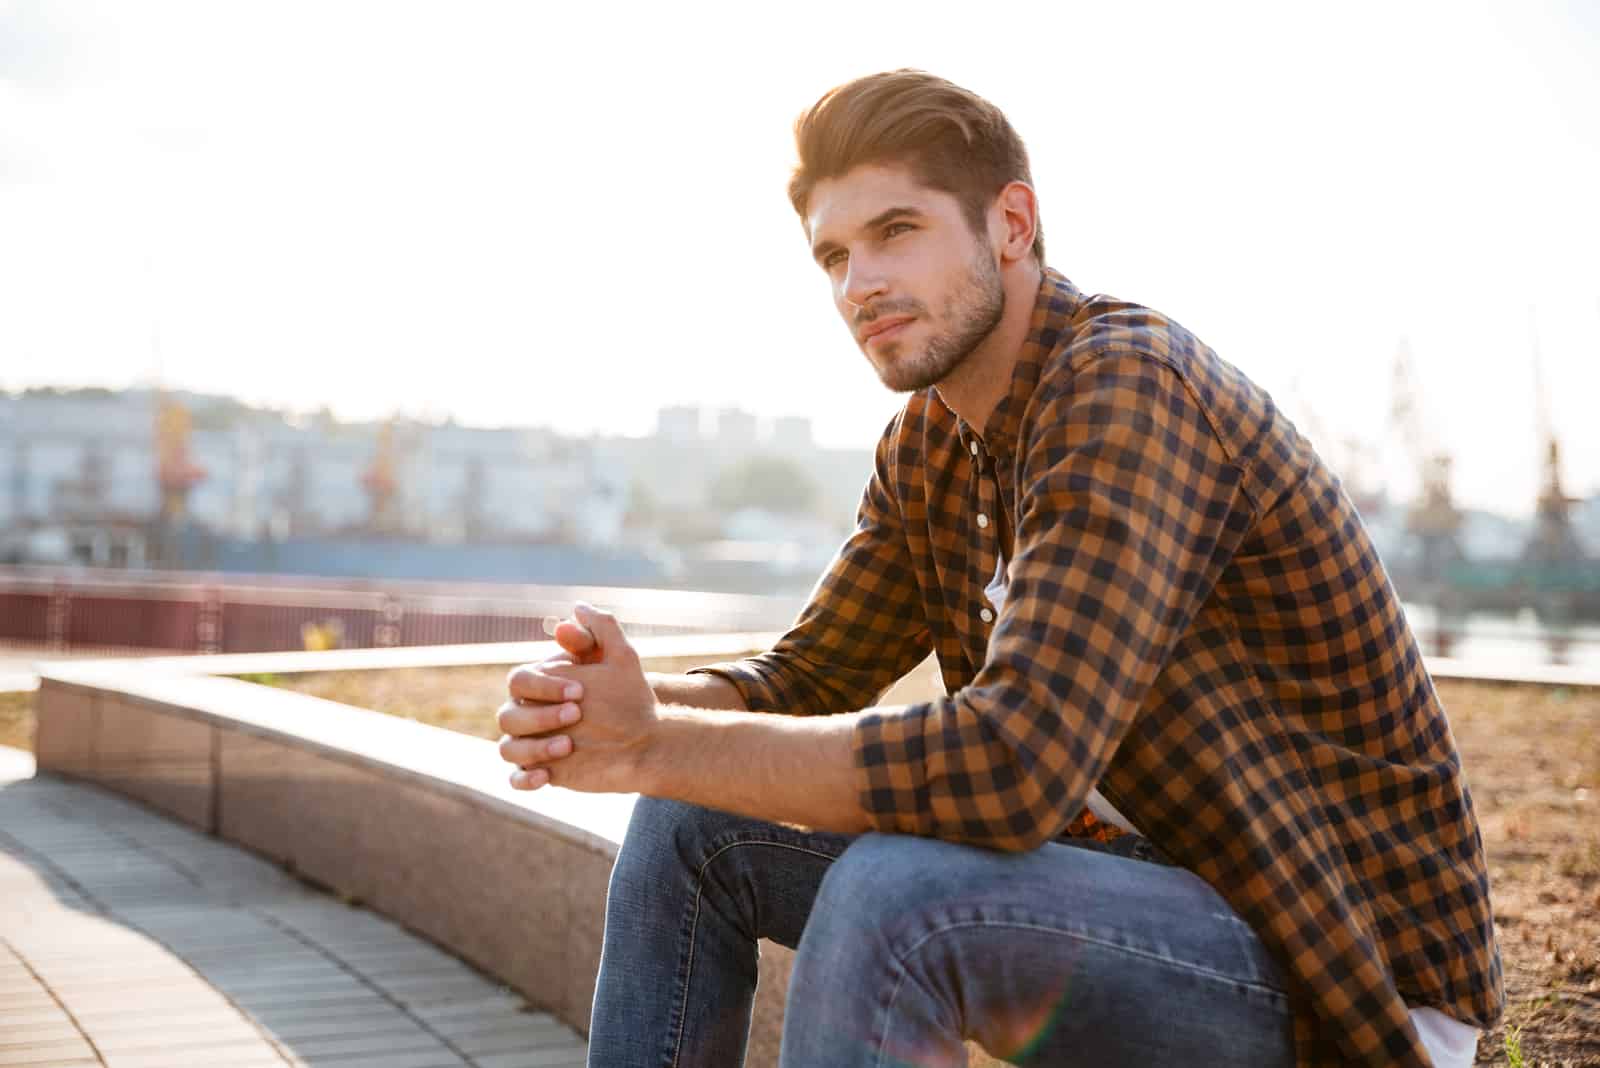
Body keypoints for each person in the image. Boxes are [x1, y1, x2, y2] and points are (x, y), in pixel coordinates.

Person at [496, 70, 1503, 1067]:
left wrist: (650, 741)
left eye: (897, 231)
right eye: (833, 256)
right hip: (1123, 887)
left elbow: (1012, 767)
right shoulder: (929, 442)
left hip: (1325, 956)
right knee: (688, 819)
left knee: (893, 897)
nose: (859, 286)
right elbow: (803, 682)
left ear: (1011, 223)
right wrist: (617, 709)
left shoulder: (1127, 385)